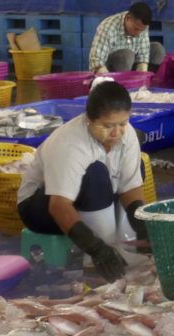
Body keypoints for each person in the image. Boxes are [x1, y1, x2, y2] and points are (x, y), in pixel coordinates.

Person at [17, 81, 148, 283]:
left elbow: (130, 185)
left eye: (122, 123)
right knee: (94, 172)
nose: (116, 132)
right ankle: (101, 250)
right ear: (89, 120)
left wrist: (142, 225)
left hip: (84, 199)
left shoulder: (126, 133)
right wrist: (95, 248)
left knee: (136, 164)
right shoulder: (70, 143)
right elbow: (58, 206)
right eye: (107, 126)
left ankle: (123, 244)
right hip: (40, 208)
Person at [89, 3, 165, 75]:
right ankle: (121, 84)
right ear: (128, 18)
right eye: (136, 29)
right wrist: (109, 81)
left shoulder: (141, 26)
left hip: (131, 65)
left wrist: (142, 79)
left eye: (142, 30)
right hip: (109, 71)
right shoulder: (108, 27)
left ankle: (142, 82)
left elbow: (143, 58)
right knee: (127, 55)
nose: (138, 33)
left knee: (157, 49)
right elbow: (96, 61)